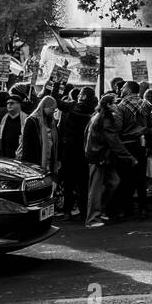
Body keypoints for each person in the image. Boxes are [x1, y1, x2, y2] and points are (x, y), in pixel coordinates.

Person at [84, 93, 135, 229]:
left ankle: (100, 211)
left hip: (101, 156)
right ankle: (92, 219)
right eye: (114, 103)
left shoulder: (98, 116)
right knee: (96, 188)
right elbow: (114, 140)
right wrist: (129, 157)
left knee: (113, 182)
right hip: (100, 157)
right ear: (108, 105)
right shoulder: (105, 119)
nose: (116, 105)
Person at [57, 88, 95, 219]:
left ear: (83, 96)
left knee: (69, 182)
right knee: (83, 182)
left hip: (70, 149)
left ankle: (67, 211)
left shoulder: (72, 107)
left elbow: (55, 99)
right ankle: (83, 211)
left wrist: (57, 82)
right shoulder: (94, 109)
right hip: (85, 149)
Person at [115, 80, 150, 219]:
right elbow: (151, 125)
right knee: (141, 178)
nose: (121, 90)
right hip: (141, 144)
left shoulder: (121, 106)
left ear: (128, 90)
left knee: (126, 178)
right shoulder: (146, 104)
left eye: (123, 88)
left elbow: (118, 127)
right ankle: (143, 209)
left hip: (126, 145)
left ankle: (127, 209)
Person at [19, 95, 60, 174]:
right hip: (35, 161)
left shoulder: (51, 121)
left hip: (49, 161)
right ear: (44, 106)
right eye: (51, 109)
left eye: (54, 110)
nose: (53, 111)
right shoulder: (32, 121)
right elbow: (27, 146)